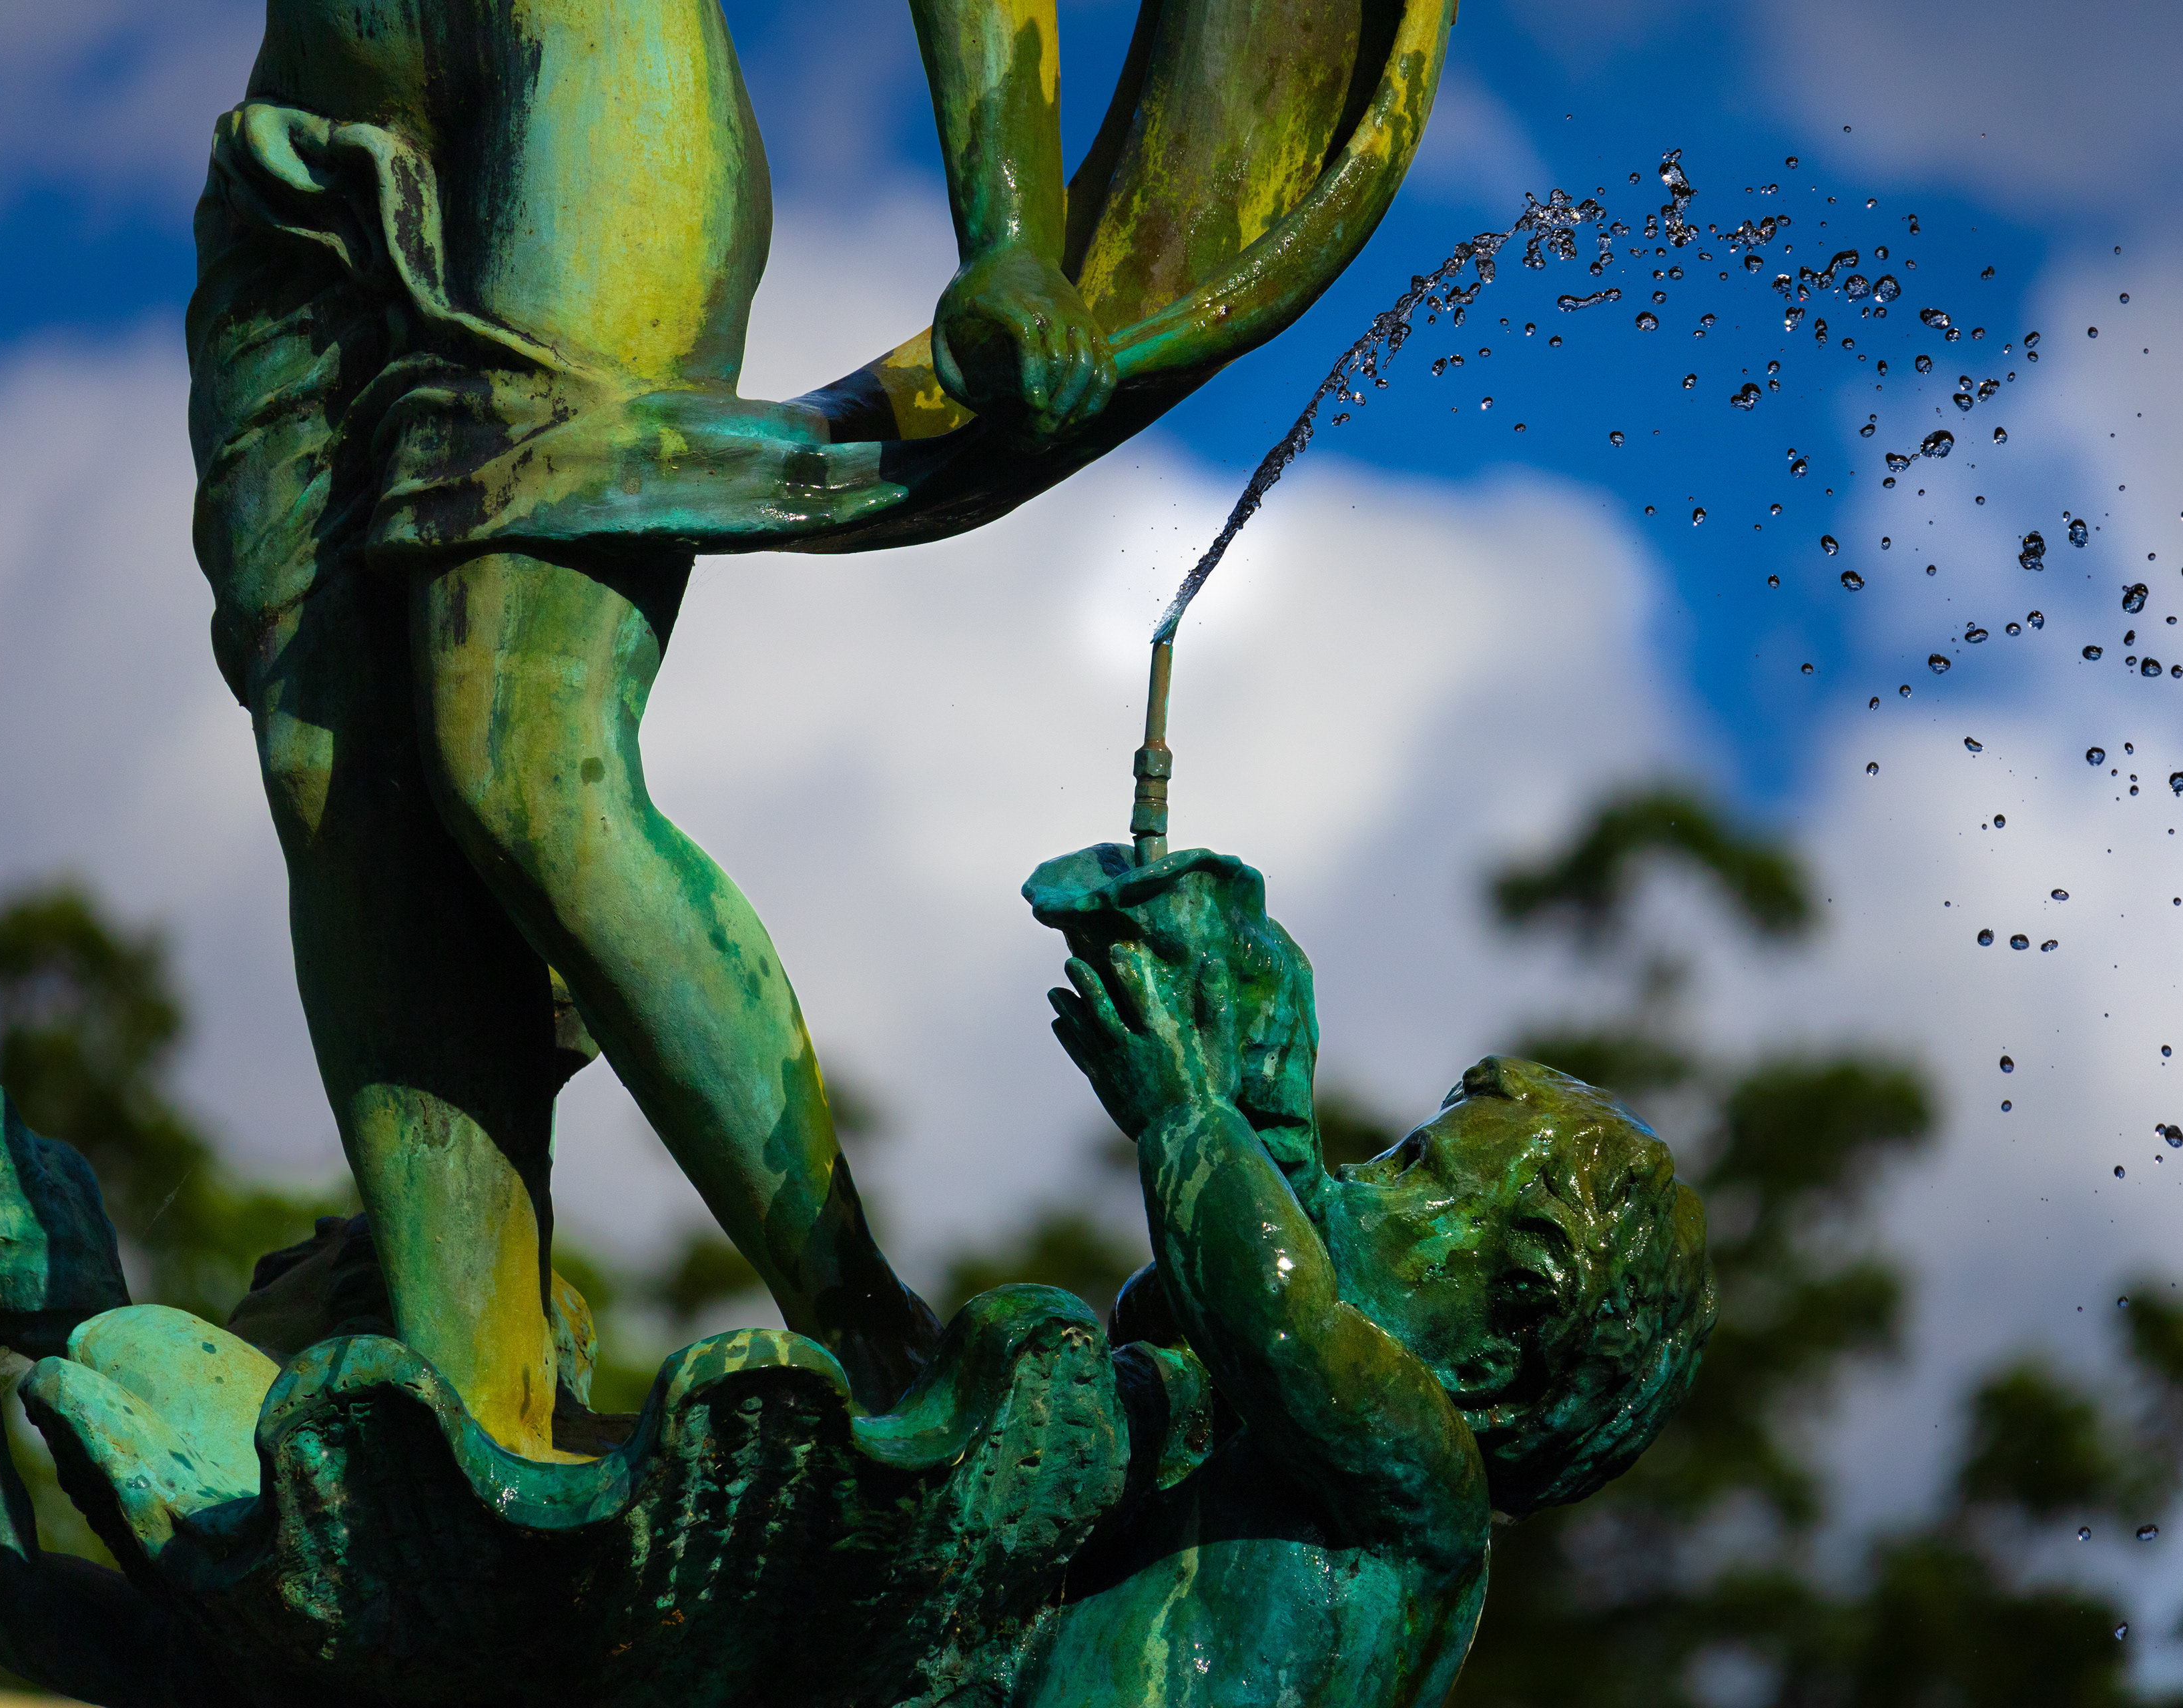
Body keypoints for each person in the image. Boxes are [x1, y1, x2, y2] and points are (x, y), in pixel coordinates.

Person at [188, 0, 1111, 1454]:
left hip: (586, 100)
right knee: (332, 779)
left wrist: (1008, 230)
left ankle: (869, 1340)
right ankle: (473, 1423)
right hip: (298, 161)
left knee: (519, 758)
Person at [1018, 849, 1719, 1706]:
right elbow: (1259, 1230)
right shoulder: (1295, 1445)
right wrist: (1257, 1047)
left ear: (1495, 1349)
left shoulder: (1430, 1483)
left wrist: (1185, 1116)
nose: (1359, 1177)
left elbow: (1280, 1319)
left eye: (1411, 1169)